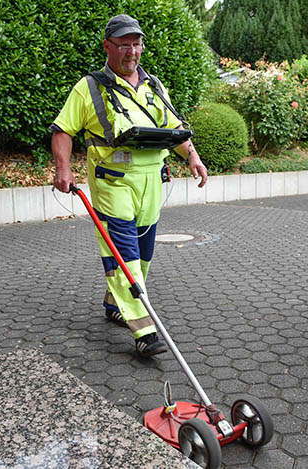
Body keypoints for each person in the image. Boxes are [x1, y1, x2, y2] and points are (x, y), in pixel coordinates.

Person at [51, 14, 207, 358]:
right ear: (108, 46)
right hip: (113, 183)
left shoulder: (154, 86)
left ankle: (115, 302)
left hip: (152, 181)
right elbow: (63, 130)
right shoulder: (89, 87)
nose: (131, 51)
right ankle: (144, 330)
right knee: (124, 253)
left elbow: (175, 127)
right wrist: (63, 169)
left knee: (145, 253)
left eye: (136, 44)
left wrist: (192, 157)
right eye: (124, 44)